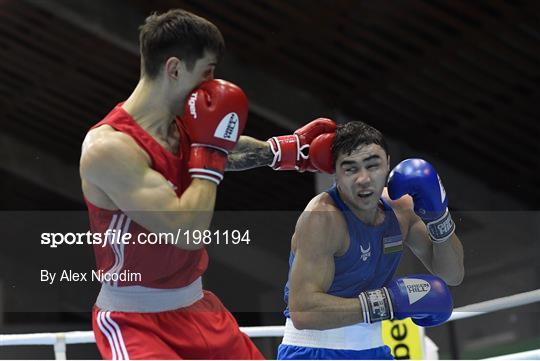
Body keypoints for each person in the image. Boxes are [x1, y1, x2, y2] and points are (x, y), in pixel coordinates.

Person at [79, 9, 335, 360]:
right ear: (174, 69)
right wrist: (210, 153)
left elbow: (219, 148)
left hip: (198, 306)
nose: (212, 85)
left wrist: (287, 151)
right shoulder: (109, 149)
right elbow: (187, 230)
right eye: (207, 73)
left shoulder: (181, 125)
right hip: (135, 322)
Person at [277, 121, 465, 360]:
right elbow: (303, 311)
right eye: (350, 168)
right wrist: (388, 301)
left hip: (374, 350)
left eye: (372, 165)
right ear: (335, 172)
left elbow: (451, 274)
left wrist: (440, 217)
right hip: (314, 352)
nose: (363, 179)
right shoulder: (323, 218)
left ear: (387, 162)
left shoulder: (401, 209)